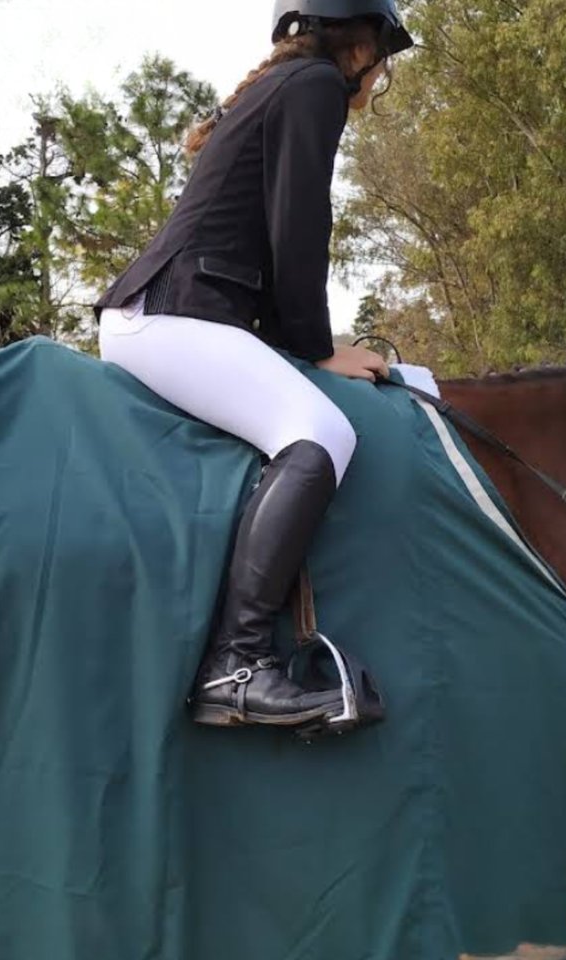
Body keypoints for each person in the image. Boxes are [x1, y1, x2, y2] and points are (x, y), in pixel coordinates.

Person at [92, 0, 413, 731]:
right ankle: (235, 665)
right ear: (362, 44)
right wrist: (318, 346)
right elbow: (297, 228)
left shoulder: (282, 85)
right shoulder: (315, 86)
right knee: (321, 434)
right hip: (174, 313)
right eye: (383, 59)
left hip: (180, 311)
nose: (378, 77)